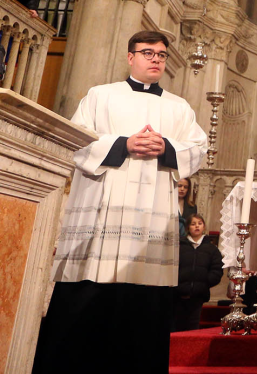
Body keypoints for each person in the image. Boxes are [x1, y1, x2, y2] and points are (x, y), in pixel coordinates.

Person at [34, 31, 208, 374]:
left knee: (142, 312)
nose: (156, 59)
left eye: (161, 54)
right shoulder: (100, 96)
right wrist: (124, 145)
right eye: (148, 53)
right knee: (86, 303)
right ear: (131, 57)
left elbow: (198, 148)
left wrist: (168, 148)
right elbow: (77, 139)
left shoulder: (179, 107)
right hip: (101, 225)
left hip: (149, 231)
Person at [173, 214, 224, 332]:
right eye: (193, 224)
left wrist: (205, 282)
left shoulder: (211, 249)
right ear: (188, 228)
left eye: (199, 223)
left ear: (204, 227)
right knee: (177, 326)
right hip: (178, 293)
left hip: (198, 294)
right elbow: (172, 266)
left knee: (193, 326)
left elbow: (217, 269)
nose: (197, 226)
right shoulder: (179, 246)